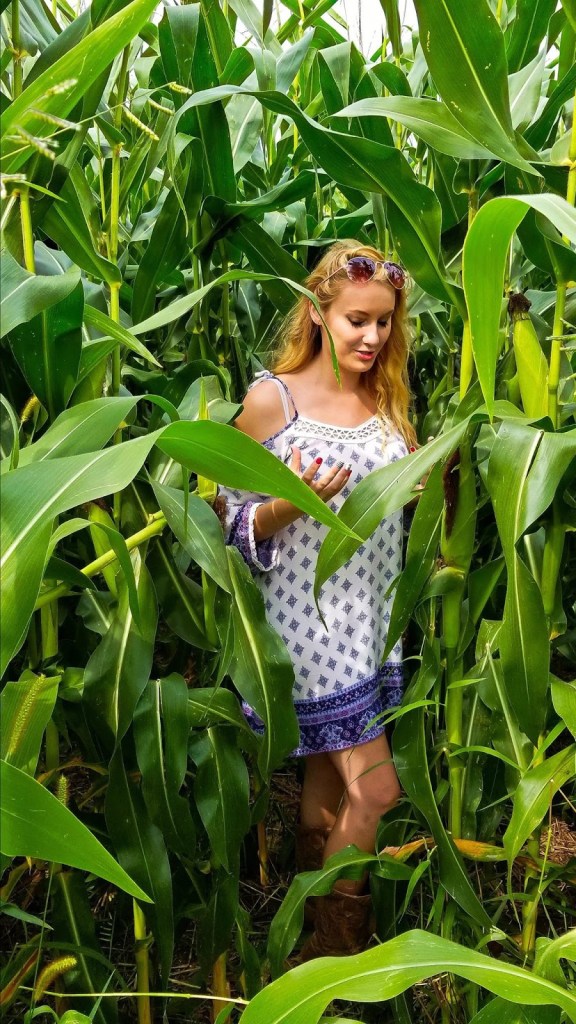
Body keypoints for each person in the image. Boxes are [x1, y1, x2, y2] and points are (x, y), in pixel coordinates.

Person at [222, 240, 417, 958]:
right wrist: (290, 505)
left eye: (385, 323)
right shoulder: (273, 399)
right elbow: (228, 522)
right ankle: (333, 955)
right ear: (317, 312)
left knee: (327, 788)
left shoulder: (380, 394)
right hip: (309, 628)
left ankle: (305, 932)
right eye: (356, 321)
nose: (372, 338)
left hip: (366, 617)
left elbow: (384, 491)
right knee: (378, 794)